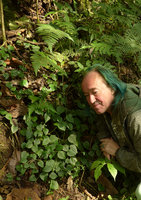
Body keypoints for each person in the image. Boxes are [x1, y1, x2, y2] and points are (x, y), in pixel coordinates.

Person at [81, 65, 141, 198]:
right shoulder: (106, 104)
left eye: (95, 92)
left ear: (112, 88)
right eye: (86, 95)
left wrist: (117, 152)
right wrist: (106, 140)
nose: (91, 100)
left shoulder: (135, 117)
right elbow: (101, 121)